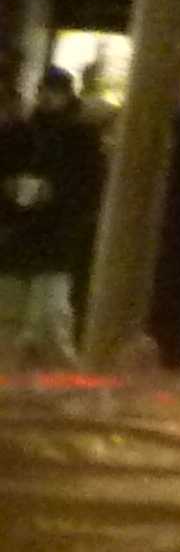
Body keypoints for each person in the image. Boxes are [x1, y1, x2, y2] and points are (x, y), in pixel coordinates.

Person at [3, 67, 107, 364]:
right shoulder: (20, 134)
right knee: (15, 320)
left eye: (53, 92)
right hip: (22, 241)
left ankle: (54, 382)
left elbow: (88, 189)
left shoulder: (80, 138)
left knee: (48, 319)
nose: (47, 98)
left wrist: (54, 193)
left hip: (52, 241)